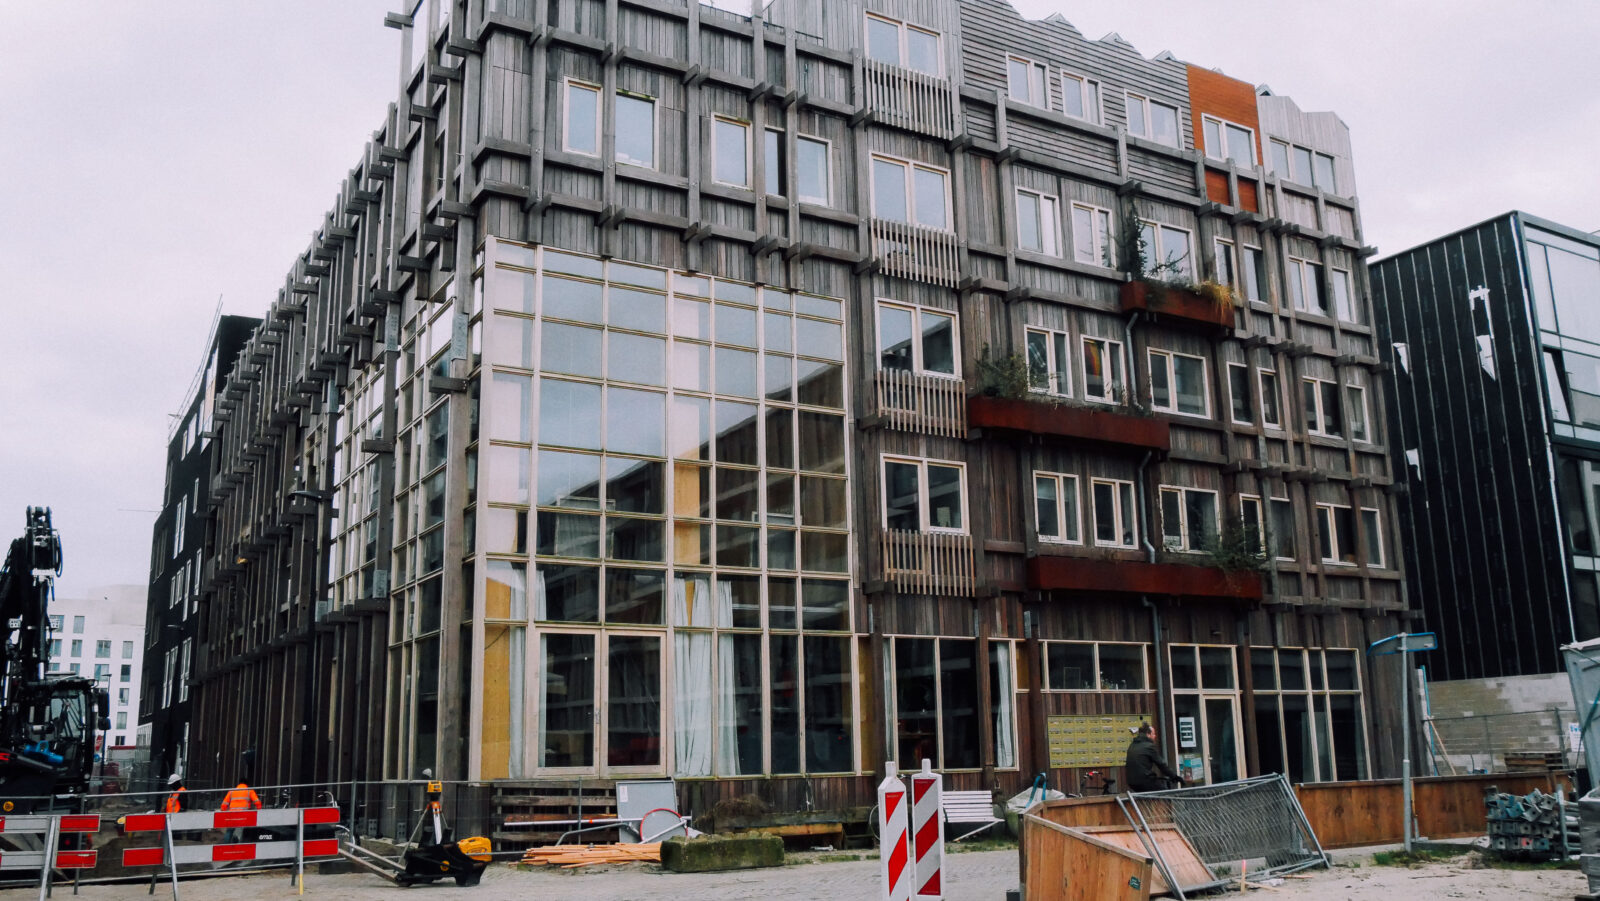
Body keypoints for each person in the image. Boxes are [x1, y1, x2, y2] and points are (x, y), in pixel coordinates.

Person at [1124, 722, 1182, 792]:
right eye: (1153, 734)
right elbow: (1161, 765)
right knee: (1164, 793)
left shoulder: (1132, 745)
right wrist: (1174, 776)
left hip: (1132, 782)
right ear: (1148, 734)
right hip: (1144, 781)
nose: (1155, 736)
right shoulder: (1149, 746)